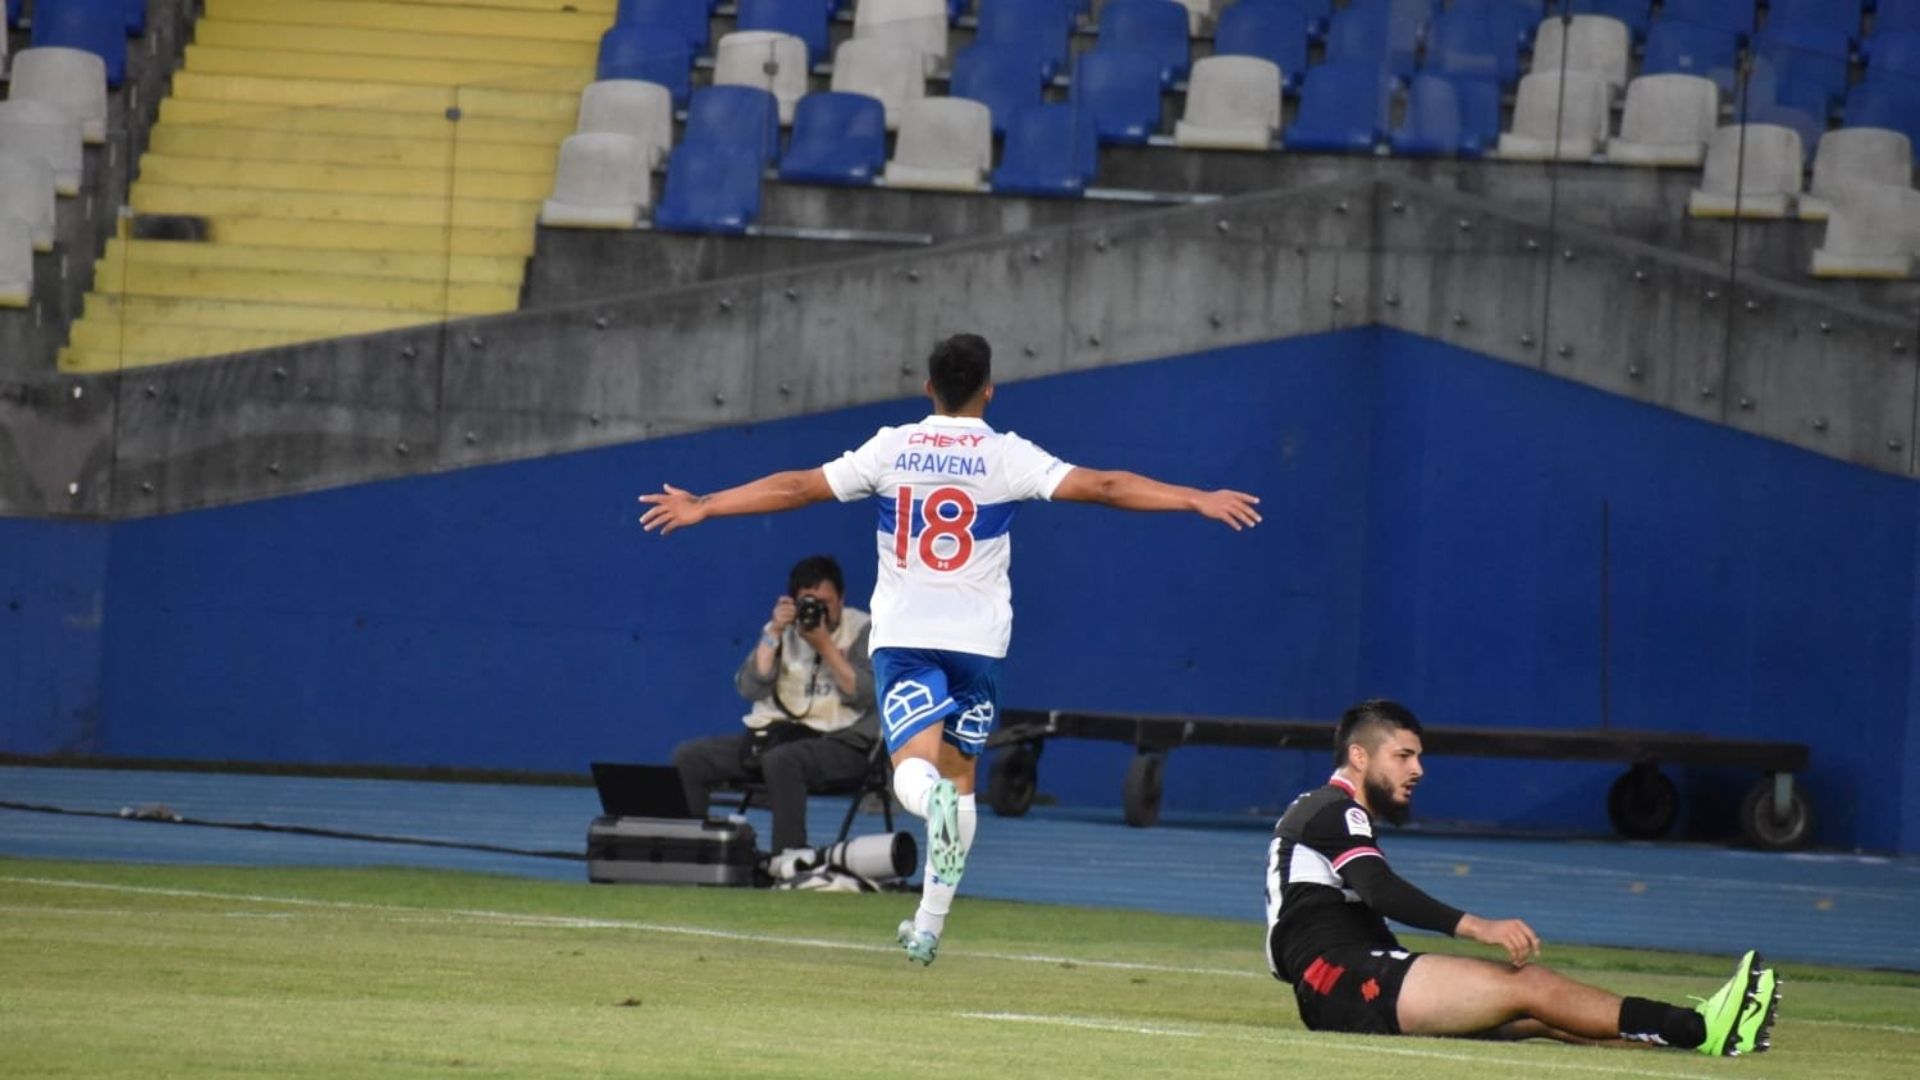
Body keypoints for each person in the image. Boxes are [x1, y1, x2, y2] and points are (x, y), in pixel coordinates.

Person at [641, 332, 1261, 965]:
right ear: (989, 389)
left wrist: (706, 505)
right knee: (961, 781)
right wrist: (1194, 498)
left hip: (909, 640)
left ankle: (923, 811)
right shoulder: (1005, 455)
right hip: (977, 647)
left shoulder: (892, 446)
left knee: (916, 770)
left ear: (927, 388)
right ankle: (928, 926)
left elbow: (798, 487)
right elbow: (1104, 485)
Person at [1264, 698, 1780, 1055]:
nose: (1417, 769)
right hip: (1345, 983)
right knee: (1527, 986)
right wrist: (1478, 926)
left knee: (1545, 1015)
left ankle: (1690, 1036)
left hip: (1339, 984)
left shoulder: (1327, 815)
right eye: (1403, 755)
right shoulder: (1334, 808)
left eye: (1419, 756)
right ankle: (1699, 1026)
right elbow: (1380, 889)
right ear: (1358, 756)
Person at [670, 555, 877, 860]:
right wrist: (773, 634)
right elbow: (749, 687)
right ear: (793, 602)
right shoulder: (782, 631)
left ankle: (787, 861)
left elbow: (865, 694)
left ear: (842, 599)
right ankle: (691, 856)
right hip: (778, 737)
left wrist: (825, 646)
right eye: (809, 602)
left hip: (844, 743)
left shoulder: (864, 629)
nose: (818, 611)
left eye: (826, 602)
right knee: (689, 757)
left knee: (783, 762)